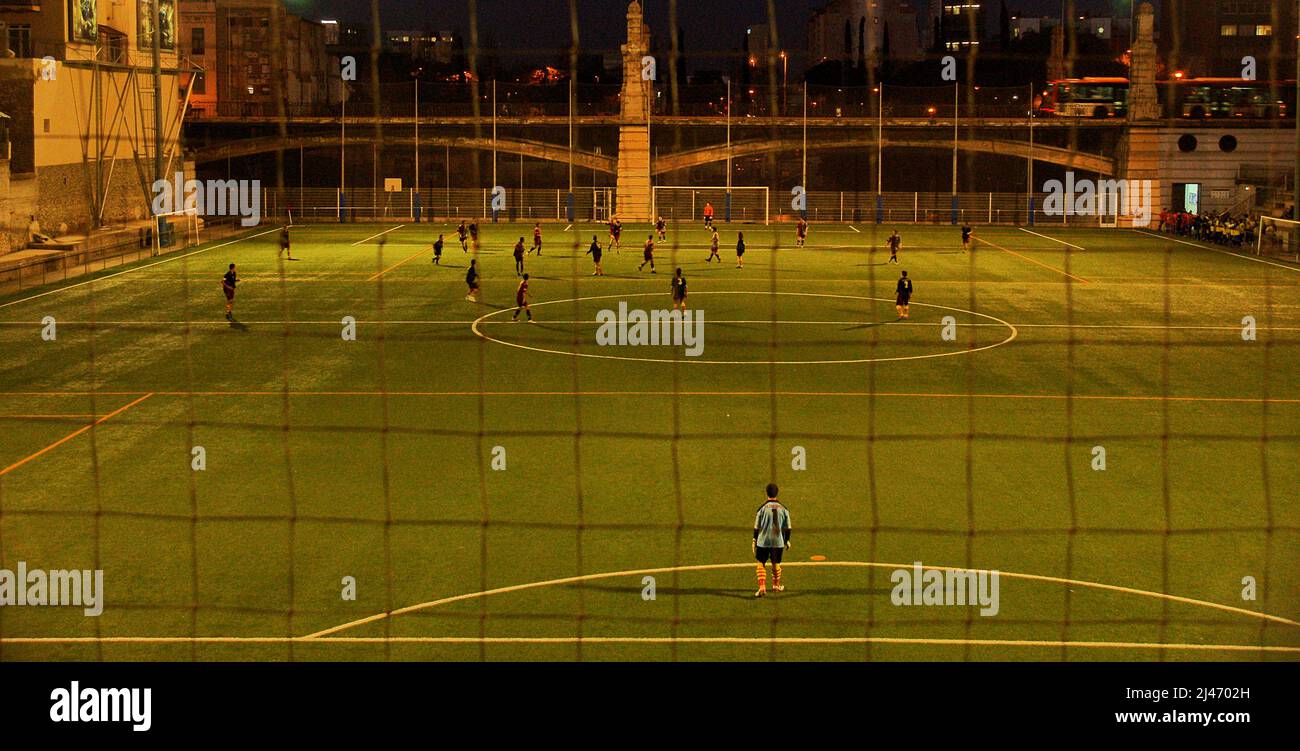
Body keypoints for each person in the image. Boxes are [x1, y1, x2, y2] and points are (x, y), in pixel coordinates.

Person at [752, 483, 791, 598]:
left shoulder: (762, 509)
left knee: (761, 563)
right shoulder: (784, 509)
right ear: (777, 493)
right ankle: (776, 585)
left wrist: (754, 539)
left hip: (763, 541)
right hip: (777, 541)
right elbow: (788, 527)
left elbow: (756, 527)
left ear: (766, 493)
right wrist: (787, 540)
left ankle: (762, 587)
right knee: (776, 563)